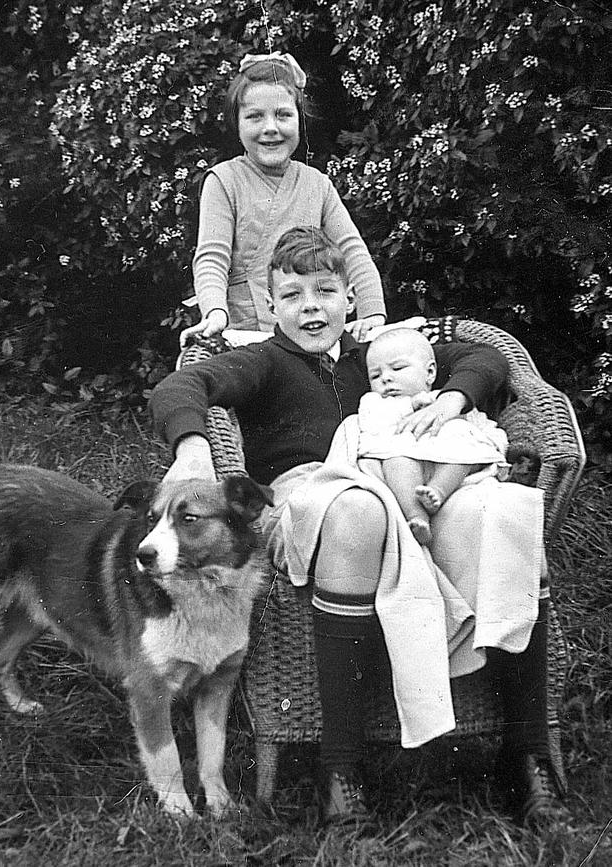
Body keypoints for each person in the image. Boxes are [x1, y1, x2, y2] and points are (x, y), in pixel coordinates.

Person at [151, 227, 565, 829]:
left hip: (408, 490)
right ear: (271, 306)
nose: (311, 306)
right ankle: (339, 767)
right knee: (356, 510)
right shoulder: (264, 361)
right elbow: (184, 384)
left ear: (351, 298)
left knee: (501, 510)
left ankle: (524, 751)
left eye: (325, 291)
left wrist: (450, 400)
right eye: (292, 295)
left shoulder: (377, 354)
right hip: (311, 494)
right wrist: (192, 448)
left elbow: (487, 359)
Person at [179, 51, 386, 347]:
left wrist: (372, 314)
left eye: (283, 115)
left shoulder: (317, 184)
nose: (270, 128)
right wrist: (214, 313)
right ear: (236, 124)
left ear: (299, 120)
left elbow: (352, 251)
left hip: (310, 330)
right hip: (248, 336)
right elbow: (212, 257)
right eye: (255, 117)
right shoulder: (224, 181)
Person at [338, 328, 510, 548]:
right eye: (375, 375)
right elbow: (371, 421)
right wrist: (409, 405)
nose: (386, 378)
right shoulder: (375, 401)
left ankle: (437, 491)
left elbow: (481, 426)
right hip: (404, 455)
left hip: (445, 459)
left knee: (464, 447)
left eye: (398, 368)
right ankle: (416, 514)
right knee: (397, 460)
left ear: (430, 373)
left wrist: (490, 440)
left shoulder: (444, 397)